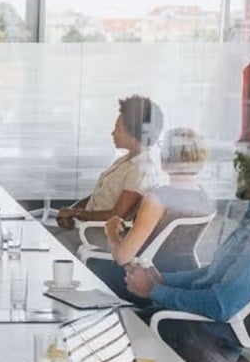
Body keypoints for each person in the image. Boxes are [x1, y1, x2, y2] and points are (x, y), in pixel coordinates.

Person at [125, 146, 250, 362]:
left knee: (111, 335)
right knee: (114, 321)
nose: (236, 176)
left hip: (204, 336)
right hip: (196, 326)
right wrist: (164, 280)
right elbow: (215, 273)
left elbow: (222, 305)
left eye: (244, 170)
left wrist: (154, 291)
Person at [87, 128, 215, 304]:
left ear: (165, 160)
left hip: (145, 281)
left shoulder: (158, 199)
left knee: (85, 258)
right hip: (183, 279)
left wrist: (111, 232)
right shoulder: (204, 197)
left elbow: (122, 257)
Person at [51, 95, 168, 253]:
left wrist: (76, 213)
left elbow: (117, 215)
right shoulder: (126, 159)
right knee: (43, 236)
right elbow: (98, 196)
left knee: (53, 245)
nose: (113, 133)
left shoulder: (141, 169)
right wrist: (71, 211)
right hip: (88, 225)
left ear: (135, 135)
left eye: (118, 130)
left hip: (103, 234)